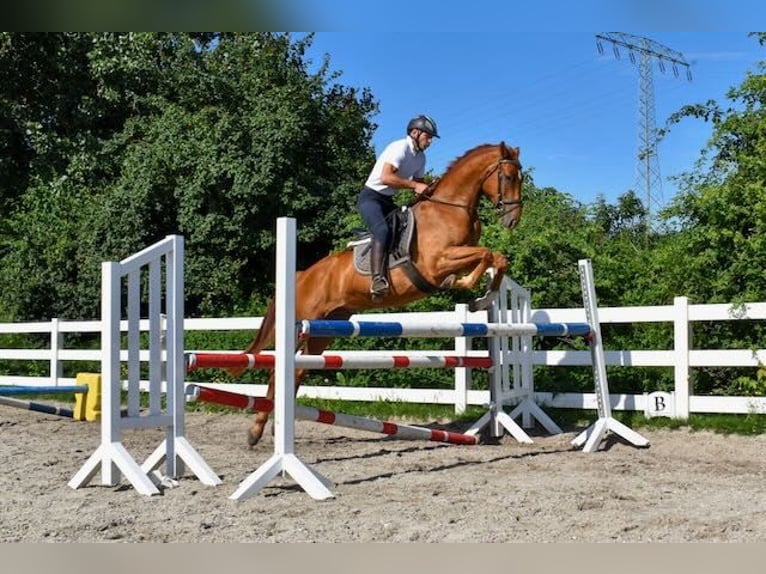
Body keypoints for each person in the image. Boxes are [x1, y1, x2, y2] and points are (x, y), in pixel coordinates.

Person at [357, 114, 439, 301]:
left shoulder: (421, 158)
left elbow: (419, 187)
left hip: (387, 201)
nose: (430, 141)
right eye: (428, 136)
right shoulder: (399, 147)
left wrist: (431, 188)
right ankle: (377, 280)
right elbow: (386, 178)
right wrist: (415, 186)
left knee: (410, 227)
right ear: (415, 132)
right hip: (371, 198)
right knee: (382, 230)